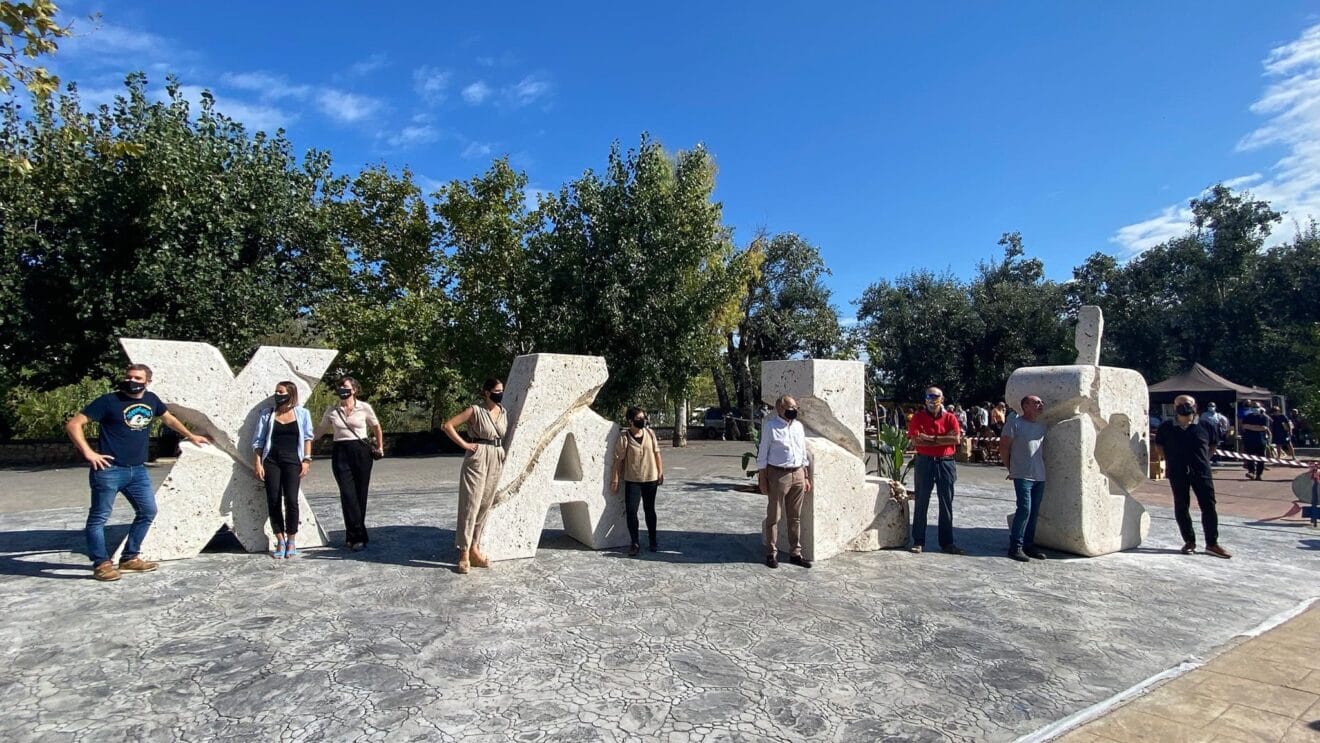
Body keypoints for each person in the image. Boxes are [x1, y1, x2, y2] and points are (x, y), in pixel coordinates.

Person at [64, 363, 208, 582]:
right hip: (109, 470)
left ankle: (130, 557)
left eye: (138, 378)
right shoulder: (109, 401)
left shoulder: (151, 400)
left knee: (148, 511)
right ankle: (101, 564)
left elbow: (168, 418)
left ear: (147, 382)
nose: (132, 381)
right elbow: (74, 424)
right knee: (99, 518)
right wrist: (89, 453)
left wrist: (190, 435)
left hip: (137, 470)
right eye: (129, 376)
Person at [442, 378, 507, 574]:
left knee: (485, 504)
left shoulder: (504, 412)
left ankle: (474, 548)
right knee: (470, 503)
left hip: (496, 455)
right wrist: (465, 445)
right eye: (496, 390)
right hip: (478, 455)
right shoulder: (475, 410)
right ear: (486, 392)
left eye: (501, 390)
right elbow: (448, 425)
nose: (500, 393)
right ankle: (463, 551)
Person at [1154, 395, 1231, 558]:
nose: (1184, 407)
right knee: (1181, 506)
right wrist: (1171, 460)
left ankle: (1212, 543)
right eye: (1179, 404)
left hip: (1201, 471)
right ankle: (1189, 541)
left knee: (1208, 506)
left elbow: (1212, 445)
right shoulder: (1166, 427)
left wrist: (1203, 460)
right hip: (1177, 471)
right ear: (1174, 408)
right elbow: (1159, 446)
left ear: (1195, 406)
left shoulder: (1206, 425)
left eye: (1187, 404)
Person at [319, 376, 384, 551]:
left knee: (360, 495)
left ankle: (353, 535)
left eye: (346, 387)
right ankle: (358, 535)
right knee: (347, 495)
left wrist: (380, 446)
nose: (342, 389)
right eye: (340, 386)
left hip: (361, 451)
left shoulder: (364, 408)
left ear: (354, 390)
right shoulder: (332, 410)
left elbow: (376, 427)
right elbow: (320, 430)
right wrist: (302, 438)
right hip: (340, 452)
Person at [252, 381, 315, 559]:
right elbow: (258, 441)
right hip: (271, 460)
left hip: (293, 461)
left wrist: (307, 460)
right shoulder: (267, 414)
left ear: (290, 394)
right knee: (273, 500)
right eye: (276, 392)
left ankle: (292, 539)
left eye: (280, 392)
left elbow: (308, 438)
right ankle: (279, 539)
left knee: (291, 500)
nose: (277, 394)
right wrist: (257, 463)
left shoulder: (302, 414)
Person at [755, 395, 812, 569]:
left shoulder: (799, 427)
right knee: (774, 516)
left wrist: (806, 475)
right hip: (778, 475)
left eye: (795, 407)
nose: (793, 410)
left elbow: (802, 450)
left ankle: (796, 553)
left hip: (798, 474)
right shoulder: (771, 427)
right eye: (790, 407)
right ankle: (771, 553)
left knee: (795, 517)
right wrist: (763, 479)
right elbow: (763, 454)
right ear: (780, 408)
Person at [908, 386, 964, 555]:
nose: (932, 400)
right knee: (921, 501)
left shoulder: (950, 418)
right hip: (924, 462)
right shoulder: (918, 417)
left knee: (946, 503)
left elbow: (956, 439)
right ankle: (918, 541)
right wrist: (943, 440)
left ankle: (947, 543)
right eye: (929, 396)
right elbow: (917, 441)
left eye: (936, 396)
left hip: (946, 463)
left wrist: (931, 438)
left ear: (943, 398)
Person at [611, 406, 665, 556]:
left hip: (650, 478)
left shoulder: (650, 433)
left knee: (650, 510)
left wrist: (660, 472)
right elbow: (618, 461)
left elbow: (657, 453)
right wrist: (614, 480)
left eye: (643, 417)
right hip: (633, 479)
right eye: (639, 418)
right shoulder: (624, 436)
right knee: (631, 511)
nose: (643, 420)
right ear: (630, 421)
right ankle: (634, 542)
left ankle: (653, 540)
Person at [1000, 394, 1048, 562]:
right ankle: (1016, 546)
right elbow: (1004, 447)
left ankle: (1028, 544)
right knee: (1024, 509)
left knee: (1033, 512)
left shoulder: (1041, 427)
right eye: (1036, 402)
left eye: (1041, 402)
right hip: (1022, 475)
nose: (1041, 405)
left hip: (1039, 475)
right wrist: (1011, 468)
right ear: (1025, 406)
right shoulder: (1014, 424)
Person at [1239, 400, 1271, 480]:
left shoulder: (1264, 417)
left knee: (1261, 458)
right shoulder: (1248, 416)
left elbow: (1264, 428)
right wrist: (1257, 427)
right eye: (1253, 407)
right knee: (1250, 457)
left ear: (1260, 408)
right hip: (1249, 440)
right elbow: (1244, 426)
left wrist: (1251, 427)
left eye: (1256, 407)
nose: (1255, 408)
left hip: (1261, 440)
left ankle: (1259, 474)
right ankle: (1251, 472)